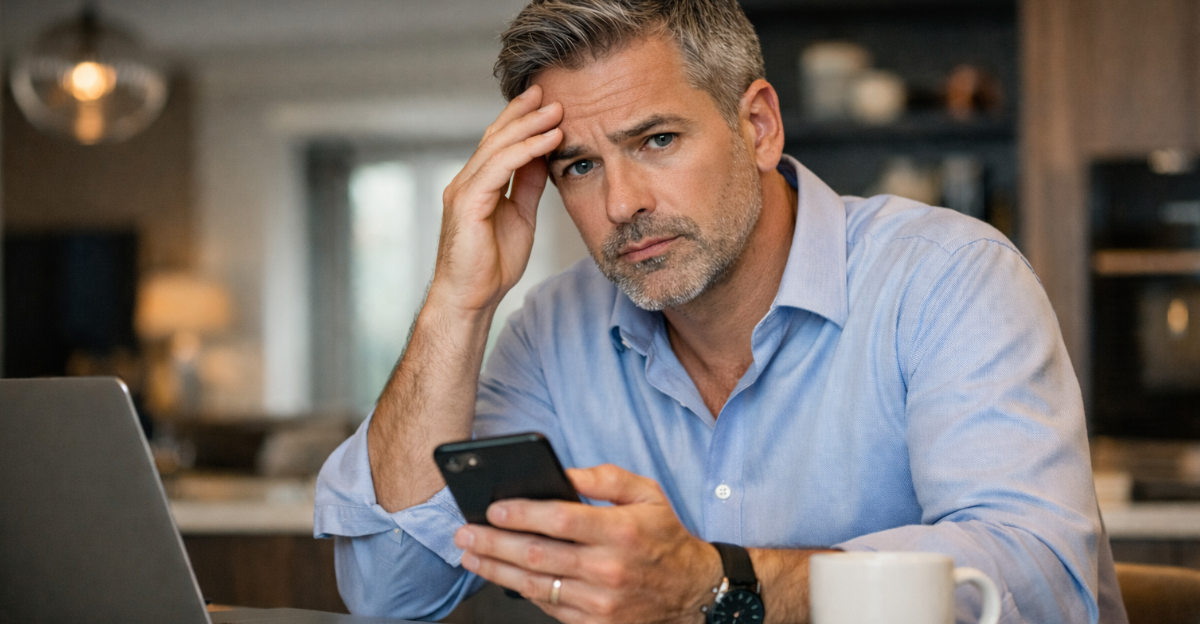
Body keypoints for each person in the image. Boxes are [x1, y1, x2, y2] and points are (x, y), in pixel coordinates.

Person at [315, 1, 1127, 622]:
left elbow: (1042, 578)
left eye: (657, 140)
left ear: (759, 126)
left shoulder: (947, 277)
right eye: (579, 166)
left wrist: (715, 582)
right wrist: (457, 302)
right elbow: (390, 592)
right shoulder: (549, 332)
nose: (622, 203)